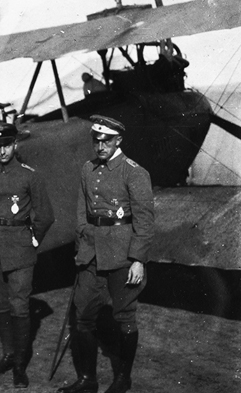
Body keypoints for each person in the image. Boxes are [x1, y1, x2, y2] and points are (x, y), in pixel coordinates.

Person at [59, 115, 154, 393]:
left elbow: (145, 220)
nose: (100, 146)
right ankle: (87, 380)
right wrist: (82, 241)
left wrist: (138, 259)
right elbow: (81, 211)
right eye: (96, 141)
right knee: (83, 316)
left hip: (122, 255)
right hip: (91, 254)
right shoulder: (88, 169)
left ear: (118, 141)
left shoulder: (134, 172)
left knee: (124, 316)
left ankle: (123, 379)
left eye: (106, 141)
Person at [0, 122, 54, 388]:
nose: (2, 150)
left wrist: (33, 240)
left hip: (19, 248)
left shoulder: (30, 175)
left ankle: (20, 364)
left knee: (19, 304)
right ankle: (8, 355)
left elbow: (45, 215)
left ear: (15, 144)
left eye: (7, 144)